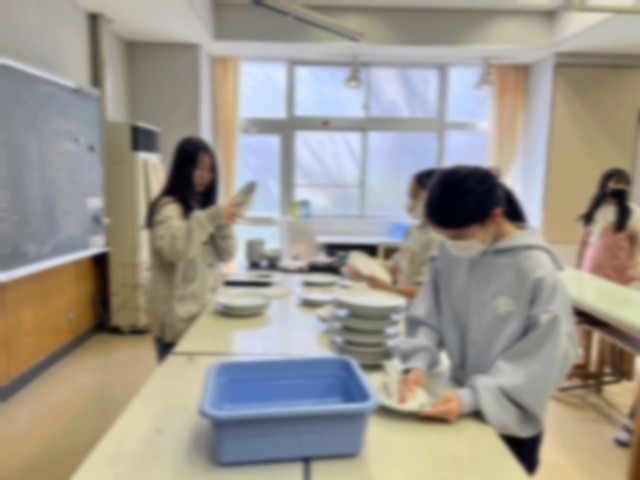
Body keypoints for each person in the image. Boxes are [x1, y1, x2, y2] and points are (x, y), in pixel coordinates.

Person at [399, 166, 578, 475]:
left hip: (509, 414)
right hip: (456, 397)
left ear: (494, 215)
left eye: (457, 236)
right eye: (444, 236)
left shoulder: (535, 269)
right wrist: (418, 362)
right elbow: (429, 313)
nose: (450, 243)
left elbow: (543, 359)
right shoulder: (451, 252)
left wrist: (474, 398)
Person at [147, 137, 239, 362]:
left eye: (209, 170)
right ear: (183, 168)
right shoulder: (167, 208)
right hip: (176, 326)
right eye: (198, 168)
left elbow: (227, 254)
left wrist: (222, 223)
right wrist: (211, 216)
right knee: (176, 383)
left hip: (202, 317)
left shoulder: (200, 208)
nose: (205, 176)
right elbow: (175, 249)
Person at [576, 168, 640, 448]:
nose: (619, 189)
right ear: (604, 185)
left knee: (614, 324)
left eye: (624, 185)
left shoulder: (633, 213)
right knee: (589, 322)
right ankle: (585, 363)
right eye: (615, 184)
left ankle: (615, 368)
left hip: (617, 273)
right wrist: (577, 272)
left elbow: (637, 245)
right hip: (592, 271)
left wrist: (632, 268)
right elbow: (583, 242)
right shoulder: (595, 211)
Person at [352, 169, 441, 300]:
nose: (411, 200)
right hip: (401, 303)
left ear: (434, 196)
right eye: (410, 194)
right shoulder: (413, 231)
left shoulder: (437, 239)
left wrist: (386, 288)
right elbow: (396, 268)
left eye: (415, 194)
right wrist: (364, 270)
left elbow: (425, 291)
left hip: (418, 308)